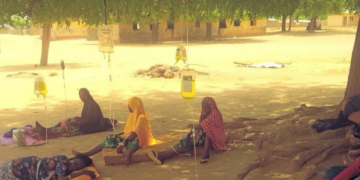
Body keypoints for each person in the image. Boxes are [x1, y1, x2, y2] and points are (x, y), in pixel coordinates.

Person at [72, 97, 154, 165]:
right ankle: (87, 154)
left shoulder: (142, 117)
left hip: (142, 139)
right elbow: (128, 131)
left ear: (133, 106)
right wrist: (116, 134)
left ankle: (127, 158)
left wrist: (122, 144)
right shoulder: (132, 115)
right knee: (109, 138)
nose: (128, 107)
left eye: (129, 105)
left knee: (136, 140)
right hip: (130, 137)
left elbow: (135, 132)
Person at [147, 97, 226, 165]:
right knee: (185, 139)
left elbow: (201, 126)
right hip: (204, 135)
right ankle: (163, 155)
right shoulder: (207, 112)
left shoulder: (214, 115)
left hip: (214, 140)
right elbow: (201, 123)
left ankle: (164, 156)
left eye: (206, 108)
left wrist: (190, 133)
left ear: (211, 106)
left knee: (187, 140)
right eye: (203, 108)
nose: (204, 110)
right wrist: (203, 114)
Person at [36, 88, 117, 136]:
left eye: (83, 95)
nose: (82, 97)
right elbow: (84, 119)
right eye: (80, 96)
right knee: (66, 121)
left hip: (91, 127)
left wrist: (74, 122)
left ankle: (47, 131)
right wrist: (74, 120)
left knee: (67, 127)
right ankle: (47, 129)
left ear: (87, 95)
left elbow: (86, 122)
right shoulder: (87, 103)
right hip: (86, 125)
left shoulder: (92, 105)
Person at [0, 154, 95, 180]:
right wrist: (82, 172)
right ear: (73, 159)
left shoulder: (68, 170)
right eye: (75, 163)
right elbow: (62, 179)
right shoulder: (62, 160)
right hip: (27, 167)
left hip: (30, 173)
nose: (74, 167)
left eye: (78, 168)